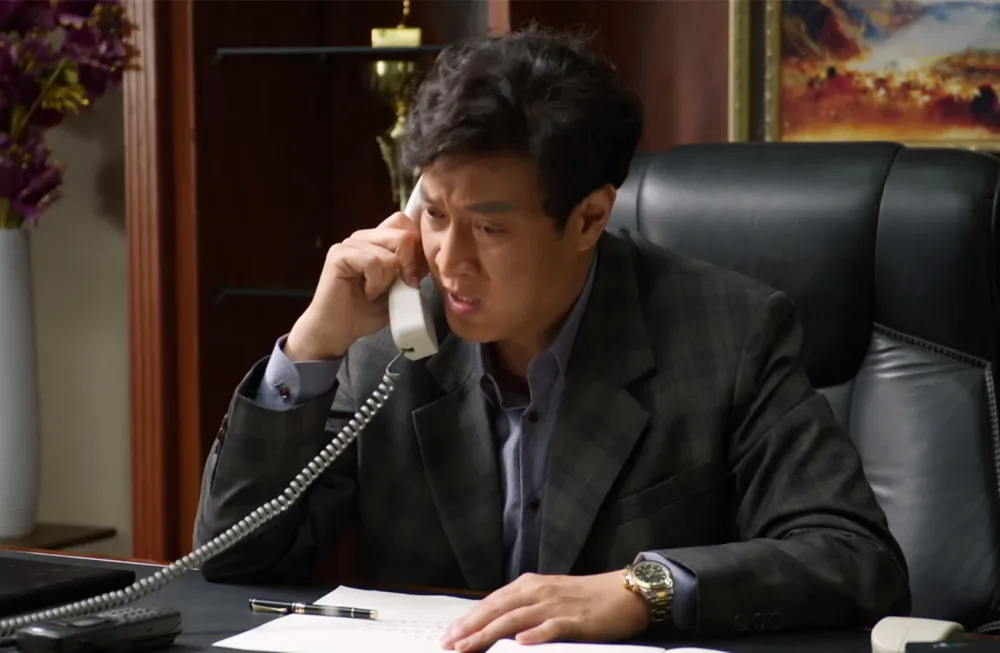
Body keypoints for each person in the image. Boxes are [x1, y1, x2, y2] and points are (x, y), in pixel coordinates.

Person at [194, 25, 910, 652]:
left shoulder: (727, 334)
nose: (448, 261)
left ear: (590, 218)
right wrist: (312, 348)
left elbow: (854, 556)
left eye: (489, 227)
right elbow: (234, 556)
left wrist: (645, 589)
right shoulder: (390, 339)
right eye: (434, 214)